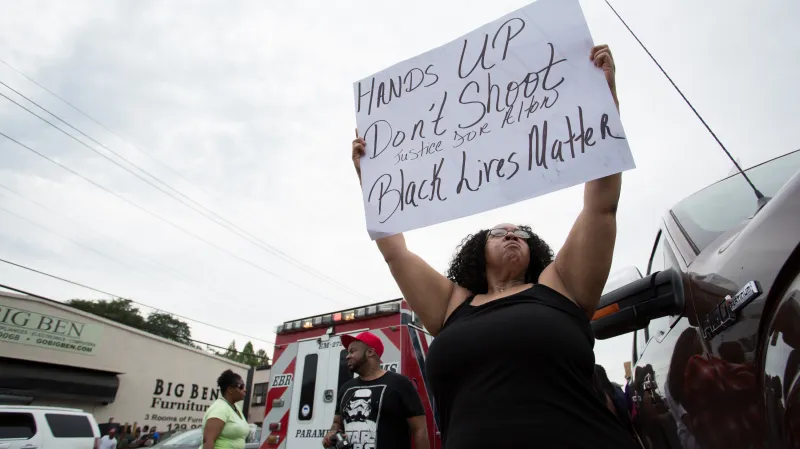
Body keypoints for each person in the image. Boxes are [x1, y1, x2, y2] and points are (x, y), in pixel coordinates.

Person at [350, 45, 638, 448]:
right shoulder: (450, 304)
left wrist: (606, 102)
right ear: (476, 252)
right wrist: (373, 178)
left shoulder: (562, 286)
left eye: (520, 231)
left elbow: (602, 205)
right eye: (499, 231)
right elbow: (395, 250)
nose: (512, 234)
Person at [322, 331, 429, 449]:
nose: (347, 356)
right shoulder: (346, 388)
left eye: (352, 351)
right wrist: (332, 433)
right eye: (348, 352)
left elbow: (419, 430)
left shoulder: (400, 384)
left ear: (370, 352)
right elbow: (337, 422)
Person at [202, 369, 251, 449]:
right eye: (241, 387)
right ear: (230, 389)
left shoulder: (235, 408)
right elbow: (208, 441)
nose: (244, 390)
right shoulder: (219, 409)